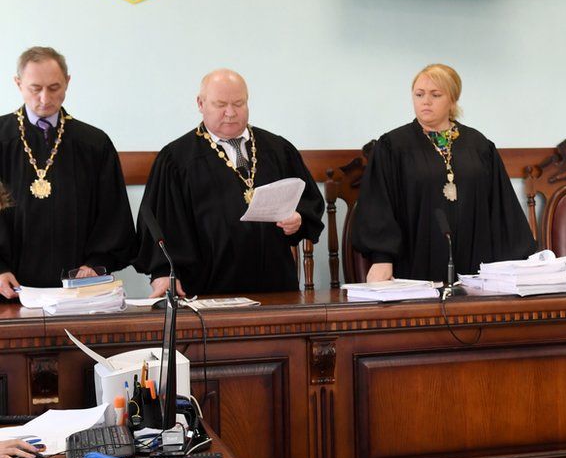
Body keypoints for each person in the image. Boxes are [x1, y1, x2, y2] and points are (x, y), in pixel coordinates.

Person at [134, 69, 324, 297]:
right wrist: (163, 273)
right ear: (201, 103)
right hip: (207, 290)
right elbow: (160, 222)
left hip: (276, 287)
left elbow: (309, 201)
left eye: (239, 103)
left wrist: (299, 218)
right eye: (220, 104)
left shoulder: (278, 150)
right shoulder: (176, 160)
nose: (231, 113)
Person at [352, 64, 535, 283]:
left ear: (453, 99)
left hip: (475, 262)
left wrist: (520, 262)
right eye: (419, 94)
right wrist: (382, 257)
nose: (425, 101)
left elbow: (501, 206)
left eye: (435, 94)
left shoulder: (478, 145)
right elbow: (378, 205)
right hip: (413, 265)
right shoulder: (393, 146)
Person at [0, 47, 134, 299]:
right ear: (18, 84)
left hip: (79, 291)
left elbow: (112, 214)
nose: (44, 98)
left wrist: (95, 263)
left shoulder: (94, 144)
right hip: (8, 290)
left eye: (54, 88)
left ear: (67, 83)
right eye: (35, 88)